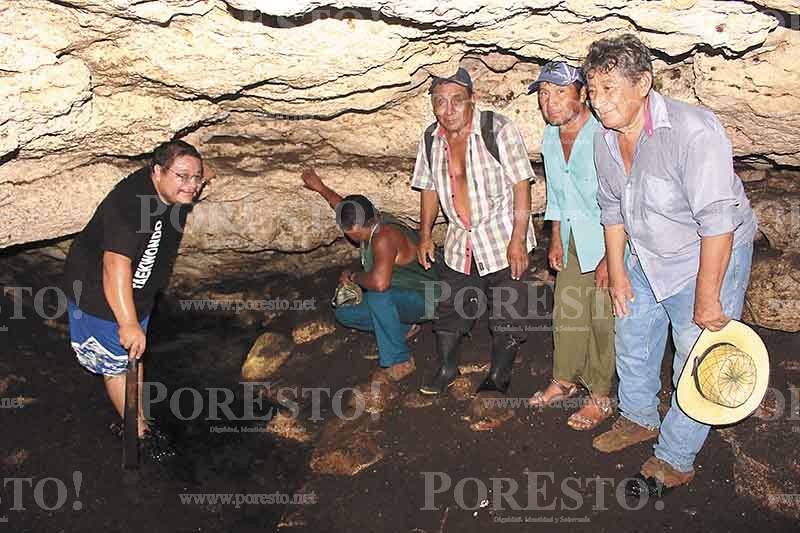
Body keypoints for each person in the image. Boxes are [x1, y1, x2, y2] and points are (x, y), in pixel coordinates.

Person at [584, 34, 757, 496]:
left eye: (609, 90)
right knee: (633, 335)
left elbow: (717, 222)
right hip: (646, 249)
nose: (598, 103)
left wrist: (707, 297)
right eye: (592, 90)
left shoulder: (693, 131)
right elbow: (612, 208)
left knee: (696, 355)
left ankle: (676, 457)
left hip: (707, 253)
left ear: (643, 83)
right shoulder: (604, 138)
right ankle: (639, 418)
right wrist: (618, 272)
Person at [63, 139, 207, 461]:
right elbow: (115, 264)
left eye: (196, 177)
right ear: (157, 172)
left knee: (135, 354)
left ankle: (137, 413)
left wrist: (194, 173)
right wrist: (127, 323)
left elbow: (189, 174)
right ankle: (138, 431)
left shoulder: (171, 187)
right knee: (117, 363)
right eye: (182, 176)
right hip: (99, 295)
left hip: (138, 290)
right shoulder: (131, 205)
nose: (192, 186)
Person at [411, 67, 537, 396]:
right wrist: (425, 234)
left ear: (472, 100)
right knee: (451, 305)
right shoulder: (429, 139)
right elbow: (428, 189)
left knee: (509, 308)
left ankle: (499, 374)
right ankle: (446, 368)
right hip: (459, 241)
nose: (448, 110)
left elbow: (522, 185)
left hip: (502, 236)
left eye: (456, 101)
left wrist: (518, 240)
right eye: (440, 102)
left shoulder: (497, 128)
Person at [526, 61, 615, 431]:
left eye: (560, 92)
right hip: (574, 236)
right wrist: (556, 237)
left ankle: (600, 395)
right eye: (544, 94)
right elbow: (558, 195)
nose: (551, 102)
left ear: (582, 93)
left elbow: (620, 198)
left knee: (601, 317)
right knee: (568, 309)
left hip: (609, 238)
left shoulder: (603, 134)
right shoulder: (551, 136)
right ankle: (565, 379)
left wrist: (613, 257)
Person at [301, 167, 439, 381]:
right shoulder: (369, 219)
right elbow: (340, 205)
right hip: (404, 298)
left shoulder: (384, 237)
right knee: (345, 313)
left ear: (355, 228)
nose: (348, 236)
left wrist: (354, 277)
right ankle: (404, 328)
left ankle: (399, 359)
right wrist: (320, 187)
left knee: (377, 293)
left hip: (428, 299)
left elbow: (380, 284)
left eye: (348, 232)